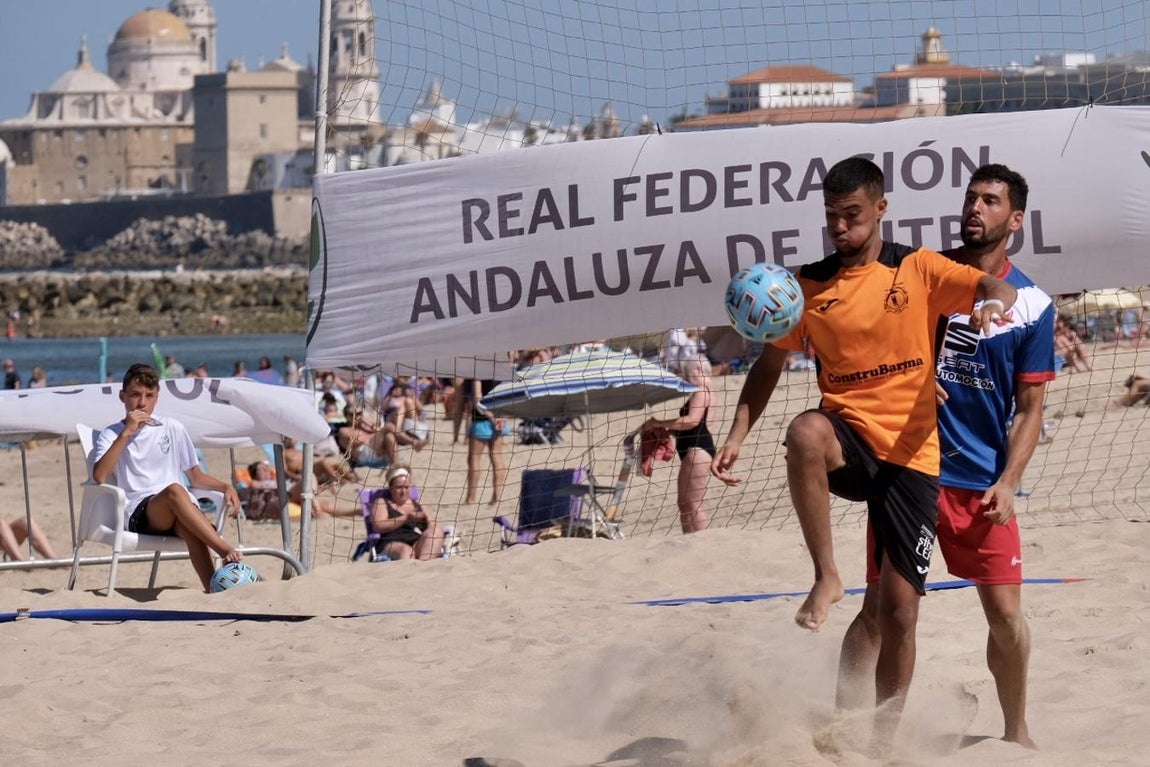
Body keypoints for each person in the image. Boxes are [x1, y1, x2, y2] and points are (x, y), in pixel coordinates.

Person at [710, 157, 1018, 749]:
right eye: (831, 217)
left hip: (911, 456)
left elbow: (991, 282)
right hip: (849, 441)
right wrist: (737, 434)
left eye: (851, 215)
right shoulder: (808, 285)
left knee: (898, 612)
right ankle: (826, 576)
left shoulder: (917, 267)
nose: (840, 228)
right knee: (805, 432)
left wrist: (990, 303)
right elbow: (769, 364)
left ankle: (877, 742)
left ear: (879, 209)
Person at [835, 164, 1049, 750]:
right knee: (881, 607)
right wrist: (913, 380)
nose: (975, 208)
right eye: (971, 197)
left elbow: (1030, 409)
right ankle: (845, 729)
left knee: (1006, 619)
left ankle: (1016, 731)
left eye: (990, 201)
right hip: (909, 467)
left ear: (1015, 220)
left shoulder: (1032, 304)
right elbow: (870, 353)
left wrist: (1010, 480)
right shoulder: (918, 274)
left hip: (980, 482)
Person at [92, 363, 243, 593]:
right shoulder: (112, 433)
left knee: (189, 524)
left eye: (149, 396)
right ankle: (224, 550)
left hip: (180, 509)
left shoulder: (171, 427)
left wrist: (225, 486)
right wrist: (126, 433)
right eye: (135, 395)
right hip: (142, 513)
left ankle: (214, 590)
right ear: (123, 396)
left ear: (156, 398)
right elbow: (100, 475)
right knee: (175, 490)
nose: (142, 402)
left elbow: (195, 476)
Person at [642, 352, 715, 533]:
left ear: (697, 369)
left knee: (693, 503)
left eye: (686, 373)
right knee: (685, 502)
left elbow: (692, 421)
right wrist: (668, 430)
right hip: (697, 447)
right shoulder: (709, 390)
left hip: (697, 450)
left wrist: (658, 422)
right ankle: (690, 541)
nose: (685, 377)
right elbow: (697, 426)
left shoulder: (702, 390)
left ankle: (703, 543)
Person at [369, 466, 445, 560]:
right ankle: (411, 572)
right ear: (391, 488)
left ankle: (424, 567)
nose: (403, 491)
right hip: (391, 543)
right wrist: (406, 518)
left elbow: (433, 526)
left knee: (436, 532)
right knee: (406, 550)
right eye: (399, 487)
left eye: (406, 487)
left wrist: (428, 520)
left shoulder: (417, 503)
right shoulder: (382, 502)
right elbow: (378, 526)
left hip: (416, 541)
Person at [465, 378, 508, 505]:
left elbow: (478, 400)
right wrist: (502, 417)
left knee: (474, 459)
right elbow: (508, 396)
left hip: (482, 420)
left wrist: (492, 418)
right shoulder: (502, 370)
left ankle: (471, 498)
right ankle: (497, 496)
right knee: (497, 456)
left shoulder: (479, 371)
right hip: (500, 420)